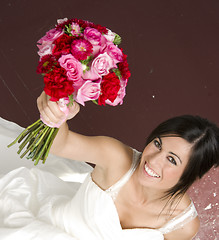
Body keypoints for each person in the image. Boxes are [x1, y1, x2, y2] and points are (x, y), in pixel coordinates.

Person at [0, 91, 218, 240]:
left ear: (192, 175)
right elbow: (62, 145)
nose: (152, 160)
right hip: (45, 231)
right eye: (157, 144)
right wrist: (56, 115)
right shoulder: (116, 158)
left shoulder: (183, 225)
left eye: (172, 159)